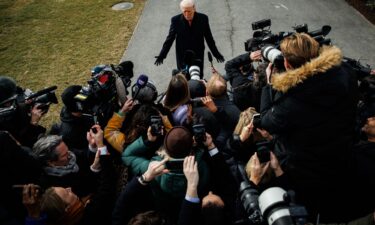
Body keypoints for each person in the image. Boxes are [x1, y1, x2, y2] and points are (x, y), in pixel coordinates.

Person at [259, 33, 359, 222]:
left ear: (287, 64)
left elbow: (266, 121)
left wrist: (269, 84)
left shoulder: (291, 102)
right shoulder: (345, 71)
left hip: (307, 171)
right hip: (342, 155)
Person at [154, 0, 224, 77]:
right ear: (181, 10)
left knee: (198, 76)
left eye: (189, 11)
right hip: (183, 55)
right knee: (184, 77)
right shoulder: (175, 21)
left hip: (197, 54)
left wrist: (216, 54)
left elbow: (209, 38)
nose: (187, 14)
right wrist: (162, 55)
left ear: (194, 8)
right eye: (184, 11)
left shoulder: (203, 19)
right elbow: (169, 39)